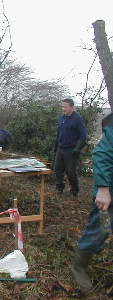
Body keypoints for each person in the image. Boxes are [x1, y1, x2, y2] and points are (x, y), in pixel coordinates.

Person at [71, 112, 113, 291]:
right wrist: (103, 189)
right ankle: (79, 266)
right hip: (108, 194)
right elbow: (101, 155)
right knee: (99, 230)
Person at [54, 98, 87, 197]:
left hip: (71, 150)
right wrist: (56, 146)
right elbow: (58, 133)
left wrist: (77, 149)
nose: (63, 109)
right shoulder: (61, 118)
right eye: (62, 106)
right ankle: (59, 188)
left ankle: (74, 190)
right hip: (61, 148)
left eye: (65, 107)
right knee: (58, 169)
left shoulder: (77, 119)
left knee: (70, 172)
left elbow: (83, 136)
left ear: (72, 107)